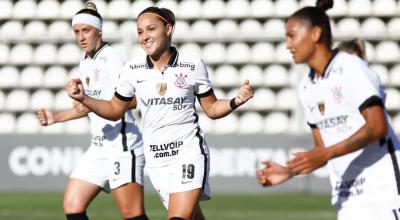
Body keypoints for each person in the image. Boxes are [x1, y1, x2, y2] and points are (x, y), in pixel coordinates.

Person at [65, 6, 254, 220]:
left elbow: (211, 108)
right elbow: (115, 109)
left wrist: (235, 101)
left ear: (169, 29)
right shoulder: (132, 71)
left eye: (151, 29)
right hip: (157, 161)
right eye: (140, 32)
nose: (144, 37)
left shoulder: (192, 66)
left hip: (188, 153)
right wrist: (84, 99)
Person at [256, 0, 400, 219]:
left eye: (291, 36)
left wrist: (327, 153)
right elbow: (322, 149)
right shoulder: (306, 85)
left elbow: (377, 126)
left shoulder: (351, 68)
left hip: (383, 192)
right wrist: (290, 171)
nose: (287, 44)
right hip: (348, 198)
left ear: (315, 34)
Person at [37, 2, 148, 220]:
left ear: (99, 30)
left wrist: (98, 102)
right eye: (76, 32)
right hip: (98, 148)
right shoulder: (85, 60)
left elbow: (135, 99)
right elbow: (90, 106)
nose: (80, 37)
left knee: (131, 214)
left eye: (85, 30)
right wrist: (56, 117)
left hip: (122, 146)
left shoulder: (112, 59)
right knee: (72, 204)